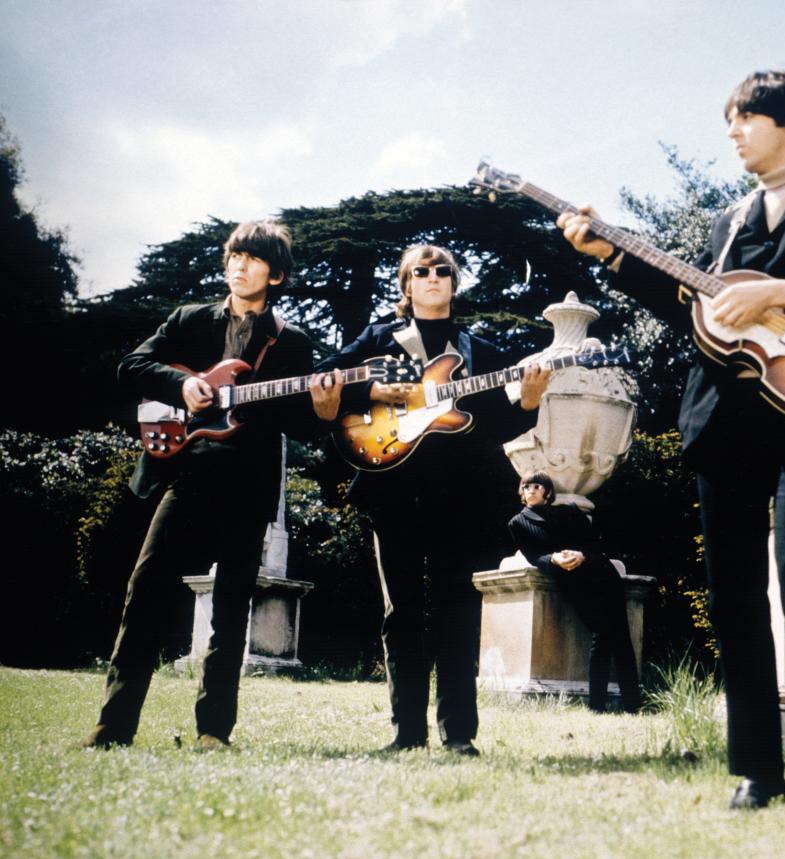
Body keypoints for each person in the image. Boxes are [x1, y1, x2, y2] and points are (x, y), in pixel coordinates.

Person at [558, 71, 785, 819]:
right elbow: (696, 309)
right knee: (734, 596)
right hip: (724, 422)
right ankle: (756, 771)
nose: (734, 132)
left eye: (744, 118)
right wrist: (610, 255)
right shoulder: (728, 219)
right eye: (730, 122)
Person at [79, 220, 341, 750]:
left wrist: (326, 405)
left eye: (252, 258)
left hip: (248, 482)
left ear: (277, 275)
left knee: (231, 609)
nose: (239, 265)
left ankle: (212, 732)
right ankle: (112, 725)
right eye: (234, 256)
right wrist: (185, 383)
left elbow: (305, 424)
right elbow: (132, 366)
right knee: (145, 590)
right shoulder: (190, 320)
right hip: (186, 473)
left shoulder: (292, 343)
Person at [317, 244, 551, 755]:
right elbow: (326, 379)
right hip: (391, 490)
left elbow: (497, 426)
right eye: (420, 272)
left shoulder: (480, 350)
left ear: (454, 282)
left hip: (462, 495)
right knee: (400, 612)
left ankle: (459, 735)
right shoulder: (378, 338)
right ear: (405, 285)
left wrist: (530, 399)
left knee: (458, 611)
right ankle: (405, 734)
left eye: (442, 271)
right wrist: (378, 394)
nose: (432, 277)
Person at [508, 470, 641, 713]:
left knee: (621, 638)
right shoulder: (518, 523)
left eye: (538, 486)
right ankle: (597, 706)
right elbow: (534, 556)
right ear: (522, 492)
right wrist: (555, 559)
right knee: (601, 632)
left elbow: (594, 542)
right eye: (527, 486)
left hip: (601, 573)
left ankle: (633, 705)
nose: (533, 490)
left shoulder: (569, 510)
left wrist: (582, 554)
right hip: (573, 582)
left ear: (548, 492)